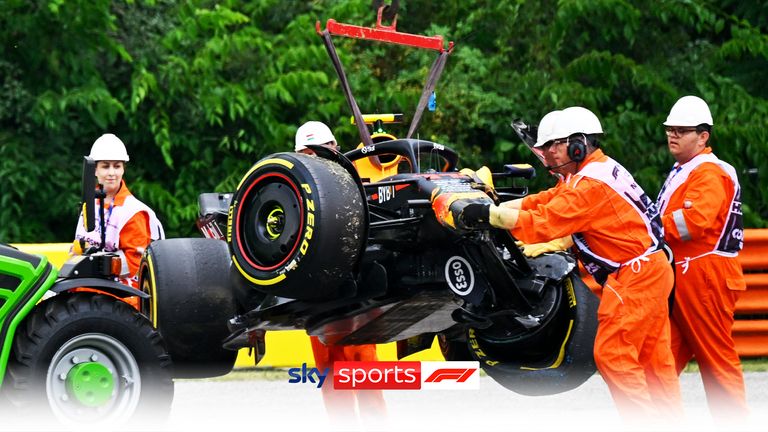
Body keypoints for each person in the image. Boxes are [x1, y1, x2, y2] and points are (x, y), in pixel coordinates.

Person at [432, 107, 682, 420]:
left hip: (635, 277)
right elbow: (547, 201)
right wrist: (492, 204)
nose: (547, 154)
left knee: (614, 356)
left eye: (553, 146)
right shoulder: (591, 172)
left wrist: (489, 216)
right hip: (649, 270)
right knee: (654, 361)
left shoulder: (590, 185)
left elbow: (545, 221)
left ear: (578, 144)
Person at [657, 95, 748, 419]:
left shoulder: (708, 171)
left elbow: (693, 222)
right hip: (686, 275)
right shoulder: (686, 170)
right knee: (660, 360)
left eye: (682, 130)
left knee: (715, 362)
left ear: (703, 136)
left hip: (705, 275)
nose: (673, 135)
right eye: (671, 129)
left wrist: (648, 229)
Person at [294, 121, 387, 427]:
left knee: (364, 370)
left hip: (355, 295)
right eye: (308, 154)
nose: (317, 158)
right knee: (332, 376)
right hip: (319, 300)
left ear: (334, 148)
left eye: (321, 151)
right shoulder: (293, 192)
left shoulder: (352, 181)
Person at [73, 133, 164, 300]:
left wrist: (100, 264)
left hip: (122, 297)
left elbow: (136, 265)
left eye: (117, 166)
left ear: (123, 169)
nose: (112, 173)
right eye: (105, 166)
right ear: (94, 170)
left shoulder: (133, 212)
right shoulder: (90, 204)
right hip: (90, 289)